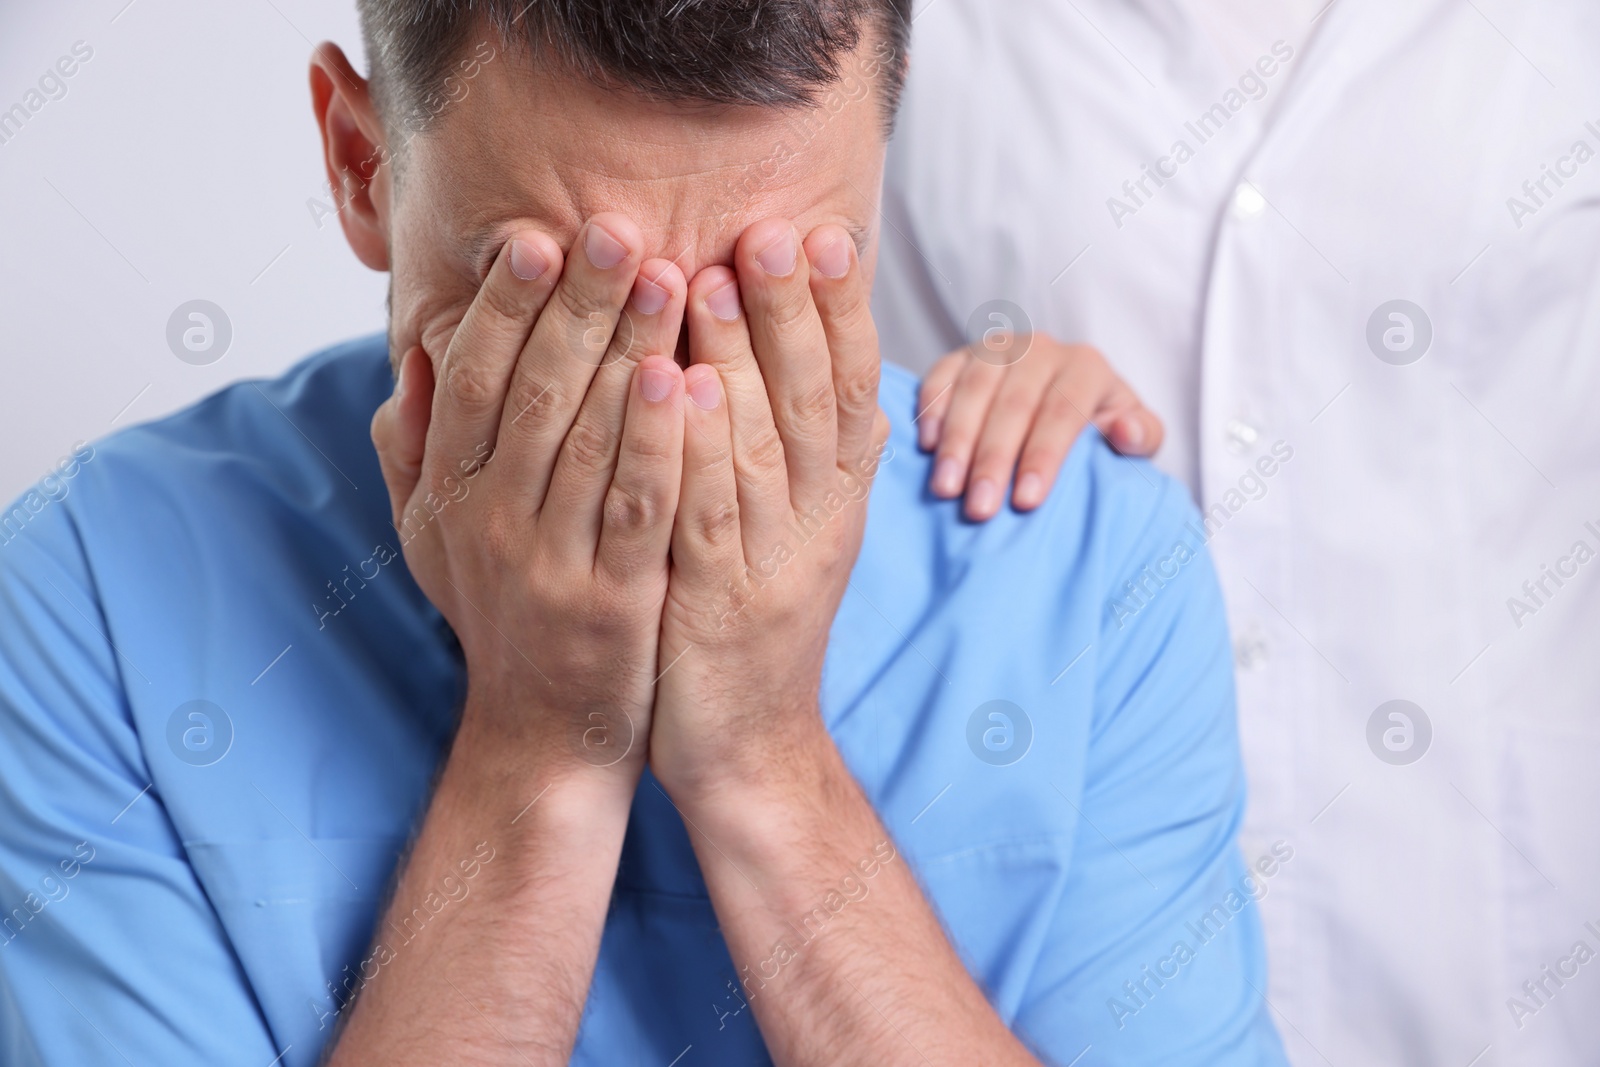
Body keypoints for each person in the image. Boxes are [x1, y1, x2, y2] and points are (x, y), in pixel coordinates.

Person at [0, 2, 1283, 1065]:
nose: (660, 401)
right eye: (556, 296)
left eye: (760, 293)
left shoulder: (1087, 563)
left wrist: (765, 758)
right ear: (361, 165)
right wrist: (541, 743)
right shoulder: (88, 599)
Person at [873, 1, 1600, 1064]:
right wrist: (970, 399)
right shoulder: (929, 32)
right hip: (1093, 960)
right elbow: (876, 497)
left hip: (1499, 937)